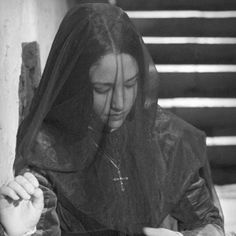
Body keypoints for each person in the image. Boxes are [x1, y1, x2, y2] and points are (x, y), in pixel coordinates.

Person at [0, 3, 224, 236]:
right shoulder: (46, 149)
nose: (119, 102)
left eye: (130, 84)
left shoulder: (167, 138)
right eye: (103, 88)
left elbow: (208, 223)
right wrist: (23, 233)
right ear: (78, 84)